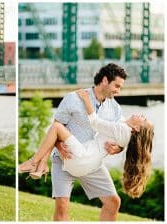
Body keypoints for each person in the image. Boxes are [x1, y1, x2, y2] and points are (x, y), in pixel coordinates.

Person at [21, 63, 128, 221]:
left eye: (120, 87)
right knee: (62, 205)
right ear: (105, 80)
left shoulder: (115, 109)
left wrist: (118, 148)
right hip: (65, 158)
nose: (118, 90)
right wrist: (59, 146)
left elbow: (122, 133)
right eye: (116, 86)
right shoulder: (74, 98)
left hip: (93, 162)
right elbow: (56, 127)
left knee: (113, 202)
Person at [19, 89, 154, 199]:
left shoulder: (123, 129)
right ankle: (42, 164)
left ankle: (34, 161)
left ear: (137, 129)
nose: (142, 115)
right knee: (57, 130)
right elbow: (118, 130)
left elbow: (95, 122)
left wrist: (85, 98)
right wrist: (120, 148)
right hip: (87, 164)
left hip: (83, 157)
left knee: (56, 127)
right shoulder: (124, 132)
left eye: (144, 119)